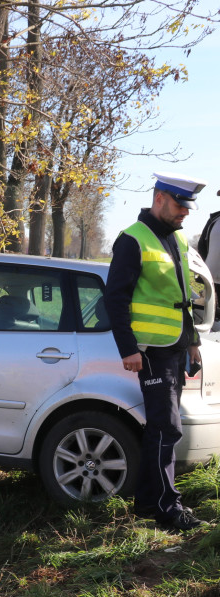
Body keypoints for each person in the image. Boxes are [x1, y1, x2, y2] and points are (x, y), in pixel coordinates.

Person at [104, 171, 206, 532]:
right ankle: (168, 509)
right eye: (180, 205)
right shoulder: (133, 240)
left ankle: (148, 502)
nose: (186, 213)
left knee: (161, 429)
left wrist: (192, 342)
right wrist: (128, 348)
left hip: (175, 346)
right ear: (160, 198)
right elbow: (115, 298)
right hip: (151, 351)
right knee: (166, 429)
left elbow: (183, 298)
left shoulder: (176, 240)